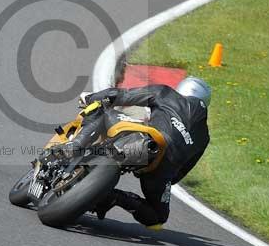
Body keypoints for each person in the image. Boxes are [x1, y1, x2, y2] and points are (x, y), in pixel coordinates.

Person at [77, 77, 211, 230]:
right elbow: (180, 174)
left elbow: (124, 95)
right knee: (158, 217)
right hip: (160, 168)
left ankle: (76, 144)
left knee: (103, 108)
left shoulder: (166, 93)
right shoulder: (205, 137)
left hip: (143, 139)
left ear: (182, 88)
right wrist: (162, 178)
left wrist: (90, 98)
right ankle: (115, 198)